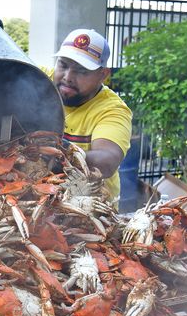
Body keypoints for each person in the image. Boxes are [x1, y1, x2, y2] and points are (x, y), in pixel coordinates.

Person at [49, 28, 132, 203]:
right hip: (43, 196)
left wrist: (58, 152)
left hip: (91, 208)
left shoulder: (112, 110)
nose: (68, 77)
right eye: (63, 65)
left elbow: (108, 160)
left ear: (103, 75)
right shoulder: (42, 80)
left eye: (82, 71)